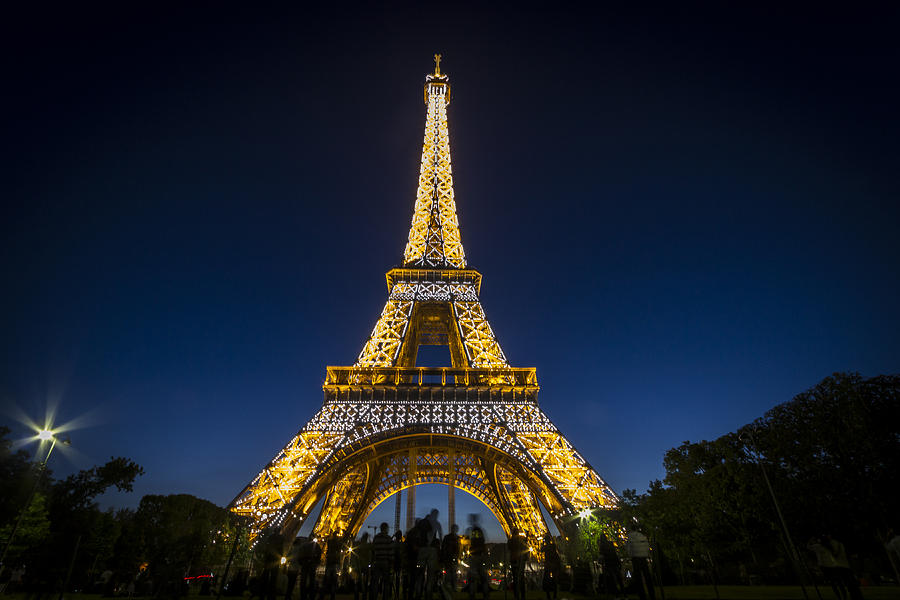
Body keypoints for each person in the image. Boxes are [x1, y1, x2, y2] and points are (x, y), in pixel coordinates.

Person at [825, 535, 863, 600]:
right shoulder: (840, 543)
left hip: (840, 565)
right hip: (845, 565)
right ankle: (856, 596)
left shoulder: (832, 543)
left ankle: (854, 596)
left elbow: (836, 554)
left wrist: (829, 550)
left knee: (848, 583)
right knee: (850, 583)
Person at [625, 525, 654, 600]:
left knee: (638, 577)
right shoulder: (642, 536)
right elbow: (647, 546)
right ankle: (651, 593)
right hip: (643, 557)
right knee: (647, 576)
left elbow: (628, 548)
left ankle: (642, 594)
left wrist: (631, 555)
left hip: (635, 558)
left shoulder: (630, 537)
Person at [466, 514, 489, 600]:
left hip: (473, 556)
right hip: (481, 555)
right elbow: (484, 542)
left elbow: (467, 542)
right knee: (483, 577)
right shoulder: (480, 530)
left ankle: (472, 595)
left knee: (472, 578)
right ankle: (486, 595)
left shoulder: (470, 530)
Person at [372, 523, 394, 600]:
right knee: (386, 582)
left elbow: (373, 549)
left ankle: (374, 597)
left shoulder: (376, 538)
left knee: (375, 582)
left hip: (377, 561)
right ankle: (385, 598)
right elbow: (391, 552)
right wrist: (391, 562)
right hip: (385, 562)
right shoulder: (388, 538)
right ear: (386, 529)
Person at [598, 532, 623, 599]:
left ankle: (616, 593)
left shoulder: (602, 545)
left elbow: (601, 555)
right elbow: (614, 552)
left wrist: (600, 561)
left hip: (608, 562)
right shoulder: (611, 543)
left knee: (612, 578)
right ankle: (623, 592)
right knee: (618, 577)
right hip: (615, 561)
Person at [319, 532, 343, 600]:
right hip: (334, 563)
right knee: (333, 581)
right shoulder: (337, 543)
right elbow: (339, 548)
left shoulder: (330, 542)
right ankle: (332, 596)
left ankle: (322, 595)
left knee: (326, 580)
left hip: (330, 562)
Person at [440, 524, 461, 600]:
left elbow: (443, 548)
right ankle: (451, 588)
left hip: (450, 558)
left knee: (451, 574)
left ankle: (448, 587)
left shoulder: (448, 537)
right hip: (450, 558)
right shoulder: (456, 538)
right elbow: (458, 548)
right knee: (451, 574)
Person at [507, 528, 527, 600]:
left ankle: (516, 595)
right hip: (519, 560)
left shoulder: (511, 541)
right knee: (520, 579)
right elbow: (525, 550)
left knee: (516, 578)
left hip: (514, 560)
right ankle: (522, 595)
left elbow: (509, 548)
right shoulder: (521, 541)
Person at [540, 534, 560, 600]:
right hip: (554, 565)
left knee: (546, 580)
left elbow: (541, 549)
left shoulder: (546, 547)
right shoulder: (553, 546)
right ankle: (554, 595)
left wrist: (542, 543)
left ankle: (548, 595)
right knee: (554, 580)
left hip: (548, 565)